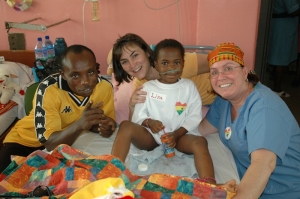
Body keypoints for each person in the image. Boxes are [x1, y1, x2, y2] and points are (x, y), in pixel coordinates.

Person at [112, 39, 233, 188]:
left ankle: (209, 185)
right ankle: (112, 172)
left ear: (183, 63)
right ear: (155, 64)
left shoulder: (189, 87)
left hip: (180, 137)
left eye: (176, 63)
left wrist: (176, 134)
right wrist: (150, 123)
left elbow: (194, 117)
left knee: (200, 142)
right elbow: (138, 117)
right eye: (164, 63)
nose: (171, 67)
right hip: (153, 138)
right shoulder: (146, 88)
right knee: (125, 126)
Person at [199, 42, 300, 198]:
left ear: (245, 72)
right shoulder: (224, 101)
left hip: (283, 190)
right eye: (214, 72)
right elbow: (201, 131)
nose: (220, 77)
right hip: (245, 182)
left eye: (228, 68)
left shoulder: (263, 107)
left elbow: (263, 164)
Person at [0, 44, 116, 173]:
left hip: (65, 143)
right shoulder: (49, 89)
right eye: (75, 75)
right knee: (7, 183)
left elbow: (96, 124)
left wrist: (104, 127)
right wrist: (80, 124)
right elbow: (49, 144)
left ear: (96, 69)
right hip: (25, 143)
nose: (86, 81)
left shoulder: (104, 87)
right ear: (63, 75)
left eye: (90, 72)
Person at [112, 33, 215, 119]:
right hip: (200, 108)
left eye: (135, 55)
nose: (132, 65)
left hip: (221, 100)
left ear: (147, 52)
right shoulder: (141, 85)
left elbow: (220, 62)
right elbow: (136, 125)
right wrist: (131, 107)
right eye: (124, 61)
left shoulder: (179, 63)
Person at [267, 0, 300, 97]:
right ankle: (277, 89)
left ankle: (274, 79)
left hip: (280, 24)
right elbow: (294, 11)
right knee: (280, 58)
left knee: (277, 54)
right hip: (283, 26)